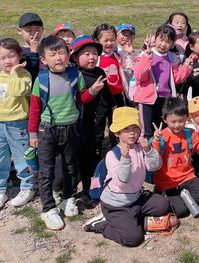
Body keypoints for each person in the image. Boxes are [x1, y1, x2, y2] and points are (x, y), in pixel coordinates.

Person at [28, 36, 105, 230]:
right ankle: (48, 208)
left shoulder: (74, 75)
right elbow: (35, 109)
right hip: (48, 130)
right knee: (46, 171)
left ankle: (68, 198)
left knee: (71, 166)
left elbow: (81, 98)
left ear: (68, 54)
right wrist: (33, 135)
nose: (58, 58)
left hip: (71, 128)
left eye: (61, 52)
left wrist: (93, 91)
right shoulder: (42, 79)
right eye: (52, 54)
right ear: (44, 59)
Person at [82, 107, 173, 247]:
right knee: (134, 239)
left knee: (163, 205)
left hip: (135, 197)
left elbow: (155, 166)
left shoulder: (139, 148)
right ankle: (102, 224)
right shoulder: (113, 155)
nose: (132, 133)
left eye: (135, 128)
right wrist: (125, 158)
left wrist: (148, 150)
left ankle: (132, 220)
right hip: (116, 204)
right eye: (126, 129)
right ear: (117, 133)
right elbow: (123, 180)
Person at [70, 35, 115, 205]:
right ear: (75, 57)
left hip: (98, 122)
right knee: (84, 155)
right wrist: (93, 90)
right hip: (83, 123)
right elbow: (77, 99)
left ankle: (95, 184)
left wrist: (113, 107)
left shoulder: (99, 72)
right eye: (86, 54)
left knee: (96, 152)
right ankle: (86, 188)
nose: (92, 57)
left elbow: (108, 94)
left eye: (94, 53)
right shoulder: (75, 75)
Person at [152, 97, 199, 217]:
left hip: (187, 176)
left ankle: (182, 194)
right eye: (173, 121)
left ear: (187, 118)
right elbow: (154, 161)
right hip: (167, 181)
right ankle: (163, 193)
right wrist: (156, 141)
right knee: (181, 211)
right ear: (164, 119)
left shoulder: (189, 133)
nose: (177, 125)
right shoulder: (162, 137)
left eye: (181, 121)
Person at [133, 25, 194, 138]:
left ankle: (161, 152)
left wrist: (186, 67)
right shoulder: (146, 53)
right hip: (147, 99)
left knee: (162, 129)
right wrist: (146, 58)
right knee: (146, 131)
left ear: (172, 44)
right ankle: (146, 152)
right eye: (161, 39)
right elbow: (139, 75)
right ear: (155, 38)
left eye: (168, 41)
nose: (163, 44)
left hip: (164, 99)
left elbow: (176, 78)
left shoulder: (171, 57)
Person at [0, 38, 34, 209]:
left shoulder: (24, 75)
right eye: (2, 57)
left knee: (21, 157)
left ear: (19, 56)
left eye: (11, 56)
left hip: (18, 123)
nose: (7, 61)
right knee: (1, 158)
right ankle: (0, 190)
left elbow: (18, 91)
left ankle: (27, 187)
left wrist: (13, 73)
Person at [93, 24, 131, 108]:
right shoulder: (96, 58)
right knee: (103, 119)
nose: (109, 43)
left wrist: (129, 53)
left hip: (117, 94)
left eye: (112, 40)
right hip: (102, 95)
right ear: (97, 41)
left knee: (118, 118)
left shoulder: (118, 56)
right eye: (106, 40)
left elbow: (129, 68)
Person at [17, 12, 44, 82]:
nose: (34, 33)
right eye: (29, 30)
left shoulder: (47, 49)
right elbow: (30, 76)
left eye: (37, 29)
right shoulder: (18, 52)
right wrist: (34, 52)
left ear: (42, 30)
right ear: (19, 31)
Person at [115, 23, 139, 93]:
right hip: (118, 83)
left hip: (131, 84)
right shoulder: (115, 50)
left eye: (129, 35)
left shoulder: (133, 52)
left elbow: (137, 67)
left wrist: (131, 53)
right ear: (117, 34)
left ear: (133, 37)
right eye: (123, 34)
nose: (126, 37)